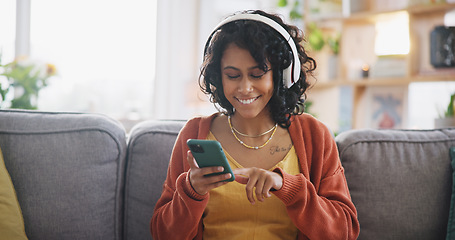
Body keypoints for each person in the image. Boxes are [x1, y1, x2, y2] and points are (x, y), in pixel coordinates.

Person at [151, 9, 359, 240]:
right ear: (217, 78)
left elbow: (345, 233)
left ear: (282, 75)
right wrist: (191, 192)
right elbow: (162, 234)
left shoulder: (315, 136)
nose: (244, 88)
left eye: (257, 74)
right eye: (232, 75)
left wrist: (289, 188)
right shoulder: (194, 134)